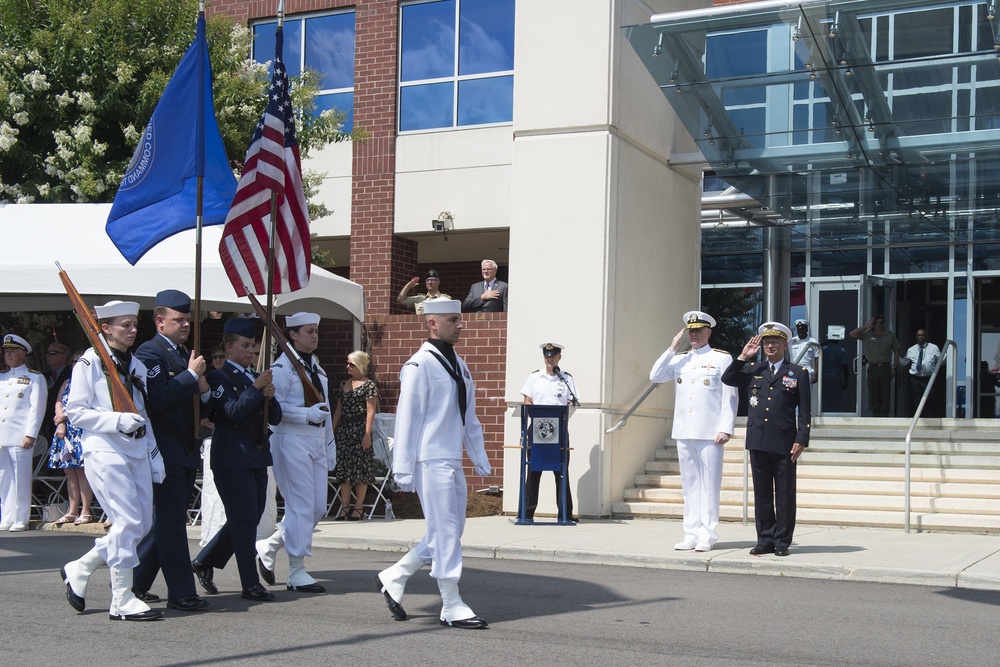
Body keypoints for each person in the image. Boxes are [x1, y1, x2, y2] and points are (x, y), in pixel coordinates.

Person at [377, 299, 491, 629]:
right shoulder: (419, 365)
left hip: (451, 457)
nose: (460, 325)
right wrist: (403, 468)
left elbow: (469, 417)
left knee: (450, 529)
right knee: (445, 531)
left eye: (459, 319)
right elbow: (407, 418)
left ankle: (395, 575)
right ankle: (451, 603)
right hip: (430, 458)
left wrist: (478, 456)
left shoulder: (460, 364)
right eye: (453, 319)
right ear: (433, 324)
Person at [62, 301, 166, 621]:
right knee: (127, 523)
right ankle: (121, 599)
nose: (133, 330)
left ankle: (81, 567)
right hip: (104, 449)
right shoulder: (90, 362)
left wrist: (154, 455)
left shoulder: (134, 365)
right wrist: (116, 421)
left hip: (135, 451)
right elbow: (76, 412)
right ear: (105, 328)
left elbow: (143, 415)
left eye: (135, 324)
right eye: (125, 325)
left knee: (142, 524)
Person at [131, 290, 212, 612]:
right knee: (172, 524)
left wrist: (201, 388)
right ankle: (181, 592)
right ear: (160, 321)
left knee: (167, 522)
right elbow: (159, 399)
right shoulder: (150, 353)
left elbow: (194, 402)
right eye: (178, 320)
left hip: (185, 446)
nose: (185, 325)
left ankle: (135, 583)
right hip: (164, 449)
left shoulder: (181, 354)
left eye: (187, 321)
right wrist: (191, 376)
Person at [191, 318, 281, 602]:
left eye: (253, 345)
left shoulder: (251, 376)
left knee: (249, 518)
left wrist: (269, 396)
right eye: (245, 345)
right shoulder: (220, 377)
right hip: (232, 457)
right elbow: (231, 412)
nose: (251, 350)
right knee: (244, 521)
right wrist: (256, 389)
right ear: (229, 348)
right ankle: (250, 584)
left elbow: (275, 418)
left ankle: (205, 560)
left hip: (255, 455)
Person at [255, 312, 333, 594]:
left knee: (317, 508)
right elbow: (273, 409)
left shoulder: (317, 368)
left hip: (315, 440)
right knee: (300, 506)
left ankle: (270, 544)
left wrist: (329, 446)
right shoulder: (282, 368)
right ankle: (297, 572)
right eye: (309, 331)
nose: (315, 336)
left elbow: (324, 409)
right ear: (293, 335)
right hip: (291, 440)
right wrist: (304, 414)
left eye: (316, 331)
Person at [649, 312, 738, 552]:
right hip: (684, 431)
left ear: (709, 332)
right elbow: (655, 375)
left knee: (710, 486)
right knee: (689, 485)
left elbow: (730, 396)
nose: (694, 334)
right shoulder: (680, 359)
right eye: (691, 331)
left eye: (699, 330)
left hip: (710, 432)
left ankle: (707, 535)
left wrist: (726, 428)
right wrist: (671, 349)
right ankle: (690, 533)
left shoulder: (721, 358)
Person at [722, 322, 811, 557]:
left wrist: (802, 438)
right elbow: (728, 378)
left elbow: (804, 410)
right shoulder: (754, 369)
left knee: (784, 493)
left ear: (785, 344)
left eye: (774, 342)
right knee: (762, 494)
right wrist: (742, 356)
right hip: (758, 439)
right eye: (766, 342)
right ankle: (764, 539)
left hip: (784, 441)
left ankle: (782, 541)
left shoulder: (797, 373)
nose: (770, 346)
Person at [520, 343, 579, 522]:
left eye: (553, 355)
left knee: (561, 471)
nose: (549, 359)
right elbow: (527, 399)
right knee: (533, 471)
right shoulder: (535, 377)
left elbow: (572, 402)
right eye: (547, 356)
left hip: (559, 429)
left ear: (559, 357)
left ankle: (565, 515)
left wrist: (568, 408)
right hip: (537, 428)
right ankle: (526, 514)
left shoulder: (566, 379)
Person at [0, 334, 46, 531]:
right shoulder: (2, 377)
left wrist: (31, 434)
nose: (7, 355)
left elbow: (37, 408)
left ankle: (21, 518)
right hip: (2, 435)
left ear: (22, 353)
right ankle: (7, 516)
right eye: (5, 352)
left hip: (20, 436)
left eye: (11, 351)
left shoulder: (34, 377)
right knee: (3, 478)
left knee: (21, 477)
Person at [330, 351, 379, 520]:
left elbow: (371, 412)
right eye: (347, 364)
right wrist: (332, 431)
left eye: (351, 364)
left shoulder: (369, 385)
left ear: (360, 365)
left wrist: (367, 434)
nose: (348, 367)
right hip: (344, 430)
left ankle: (358, 507)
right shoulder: (344, 384)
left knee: (360, 471)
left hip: (359, 430)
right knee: (344, 471)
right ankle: (344, 507)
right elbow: (339, 409)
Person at [48, 349, 94, 526]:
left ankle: (86, 511)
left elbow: (87, 407)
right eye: (73, 362)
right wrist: (60, 421)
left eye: (79, 361)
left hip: (81, 430)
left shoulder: (90, 382)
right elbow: (59, 402)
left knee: (82, 471)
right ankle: (72, 510)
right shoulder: (67, 382)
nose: (76, 365)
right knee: (69, 471)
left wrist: (65, 417)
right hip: (65, 431)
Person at [850, 315, 901, 417]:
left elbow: (896, 351)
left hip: (885, 368)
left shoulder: (890, 336)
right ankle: (876, 416)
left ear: (884, 323)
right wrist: (865, 327)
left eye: (881, 322)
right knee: (874, 394)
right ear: (873, 325)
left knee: (885, 394)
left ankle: (884, 416)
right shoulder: (868, 335)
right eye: (876, 323)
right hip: (873, 368)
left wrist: (895, 368)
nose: (878, 325)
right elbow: (852, 334)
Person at [902, 329, 942, 417]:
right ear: (916, 337)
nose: (920, 337)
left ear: (926, 336)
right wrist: (893, 357)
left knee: (930, 400)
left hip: (929, 378)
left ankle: (930, 419)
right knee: (917, 401)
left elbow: (941, 361)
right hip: (916, 379)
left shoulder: (933, 348)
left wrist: (948, 355)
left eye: (922, 335)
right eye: (919, 336)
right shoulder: (911, 350)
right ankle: (921, 419)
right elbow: (903, 363)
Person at [42, 342, 72, 442]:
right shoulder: (43, 376)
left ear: (63, 356)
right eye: (47, 353)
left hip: (62, 421)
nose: (48, 355)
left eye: (52, 353)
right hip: (45, 420)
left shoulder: (71, 374)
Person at [820, 336, 850, 413]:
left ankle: (825, 414)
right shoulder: (841, 350)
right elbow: (845, 367)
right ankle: (834, 415)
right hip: (836, 376)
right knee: (836, 399)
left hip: (824, 376)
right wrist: (846, 381)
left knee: (825, 398)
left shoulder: (822, 350)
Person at [789, 319, 819, 384]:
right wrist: (788, 331)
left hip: (807, 371)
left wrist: (816, 375)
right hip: (793, 371)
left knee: (806, 392)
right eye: (798, 329)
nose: (800, 331)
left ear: (806, 329)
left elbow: (818, 359)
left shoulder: (813, 342)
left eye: (802, 329)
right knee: (791, 392)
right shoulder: (791, 341)